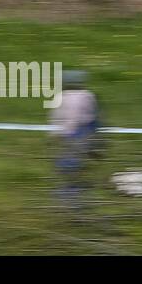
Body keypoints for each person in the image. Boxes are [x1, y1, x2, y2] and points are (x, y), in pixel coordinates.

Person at [49, 70, 99, 208]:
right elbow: (93, 116)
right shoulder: (88, 96)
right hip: (81, 134)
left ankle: (69, 195)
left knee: (69, 165)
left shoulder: (60, 96)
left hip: (69, 135)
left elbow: (55, 117)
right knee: (75, 164)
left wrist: (53, 135)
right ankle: (72, 195)